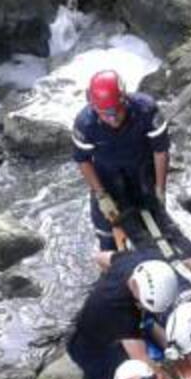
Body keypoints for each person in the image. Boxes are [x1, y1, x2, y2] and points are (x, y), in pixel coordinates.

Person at [66, 255, 187, 379]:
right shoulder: (120, 313)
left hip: (106, 318)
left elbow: (100, 257)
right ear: (138, 298)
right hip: (89, 347)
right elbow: (148, 368)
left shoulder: (136, 262)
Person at [72, 70, 169, 251]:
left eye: (116, 111)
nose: (113, 119)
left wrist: (160, 189)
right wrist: (101, 195)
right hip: (107, 177)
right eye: (105, 114)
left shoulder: (146, 110)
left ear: (124, 100)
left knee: (156, 228)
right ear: (94, 108)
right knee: (107, 233)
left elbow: (160, 151)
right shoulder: (85, 124)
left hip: (141, 171)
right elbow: (83, 161)